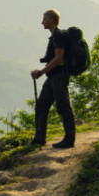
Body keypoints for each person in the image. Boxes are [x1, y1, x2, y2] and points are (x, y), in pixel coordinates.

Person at [30, 9, 76, 148]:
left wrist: (41, 72)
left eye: (44, 19)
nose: (42, 22)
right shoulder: (55, 36)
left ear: (51, 20)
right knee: (41, 105)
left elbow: (58, 58)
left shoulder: (59, 36)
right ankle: (39, 138)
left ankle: (69, 139)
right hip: (53, 76)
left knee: (63, 106)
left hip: (59, 76)